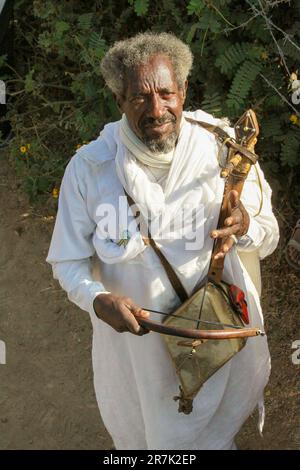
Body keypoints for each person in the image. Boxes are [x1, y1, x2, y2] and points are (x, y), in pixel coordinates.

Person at [46, 32, 279, 450]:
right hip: (138, 354)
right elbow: (68, 262)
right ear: (119, 99)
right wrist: (98, 300)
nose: (157, 110)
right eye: (140, 98)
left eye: (167, 94)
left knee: (215, 434)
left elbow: (268, 235)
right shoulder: (90, 170)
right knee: (149, 441)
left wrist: (244, 225)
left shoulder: (225, 149)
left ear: (183, 90)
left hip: (215, 340)